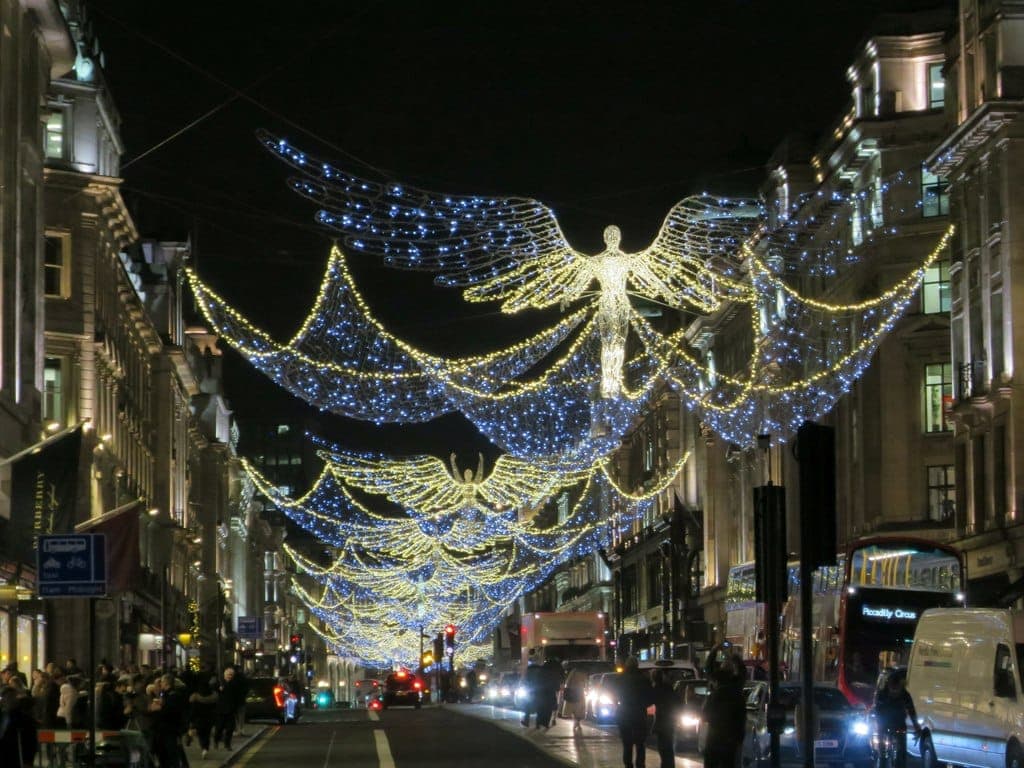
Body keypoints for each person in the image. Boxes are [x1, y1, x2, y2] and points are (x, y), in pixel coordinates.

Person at [871, 669, 922, 768]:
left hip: (899, 722)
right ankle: (882, 758)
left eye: (897, 688)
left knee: (901, 748)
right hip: (884, 722)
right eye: (893, 688)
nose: (895, 691)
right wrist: (878, 721)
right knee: (881, 746)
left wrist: (917, 726)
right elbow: (877, 709)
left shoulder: (905, 694)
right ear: (889, 685)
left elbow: (911, 710)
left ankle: (900, 761)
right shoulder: (882, 694)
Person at [701, 667, 747, 768]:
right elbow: (741, 719)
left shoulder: (714, 696)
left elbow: (704, 716)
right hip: (731, 741)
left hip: (714, 740)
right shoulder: (738, 697)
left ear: (717, 681)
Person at [615, 656, 655, 768]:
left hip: (624, 712)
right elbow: (650, 698)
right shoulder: (643, 679)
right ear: (637, 665)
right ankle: (640, 764)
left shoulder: (620, 678)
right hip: (639, 713)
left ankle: (628, 764)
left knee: (627, 743)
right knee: (640, 743)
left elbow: (615, 695)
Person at [149, 673, 188, 768]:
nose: (160, 684)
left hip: (169, 730)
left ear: (166, 683)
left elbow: (171, 712)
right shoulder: (165, 694)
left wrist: (159, 708)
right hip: (162, 730)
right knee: (163, 755)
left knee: (171, 755)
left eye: (161, 682)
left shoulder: (173, 696)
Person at [0, 684, 38, 768]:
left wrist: (28, 761)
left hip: (15, 757)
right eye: (5, 697)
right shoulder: (1, 716)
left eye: (11, 697)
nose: (8, 700)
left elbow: (31, 742)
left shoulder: (24, 719)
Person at [651, 669, 680, 768]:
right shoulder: (669, 689)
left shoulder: (656, 689)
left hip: (662, 722)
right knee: (668, 748)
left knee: (663, 748)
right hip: (669, 721)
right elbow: (678, 703)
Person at [214, 666, 244, 750]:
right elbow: (213, 690)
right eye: (228, 675)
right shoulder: (220, 683)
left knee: (230, 729)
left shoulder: (235, 684)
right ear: (225, 675)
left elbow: (238, 696)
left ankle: (227, 744)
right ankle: (216, 741)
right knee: (219, 728)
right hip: (221, 710)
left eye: (231, 675)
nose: (229, 676)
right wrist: (219, 689)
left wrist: (237, 707)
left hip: (231, 710)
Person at [534, 657, 562, 730]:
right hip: (550, 693)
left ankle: (538, 722)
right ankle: (545, 723)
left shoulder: (541, 671)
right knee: (548, 709)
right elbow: (556, 683)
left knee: (540, 708)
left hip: (540, 692)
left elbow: (537, 681)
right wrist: (557, 688)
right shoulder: (553, 672)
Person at [560, 664, 588, 735]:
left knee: (574, 708)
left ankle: (576, 723)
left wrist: (567, 688)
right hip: (579, 692)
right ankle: (577, 723)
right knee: (579, 709)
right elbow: (585, 683)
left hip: (573, 691)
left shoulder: (573, 671)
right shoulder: (583, 673)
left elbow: (568, 681)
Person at [520, 660, 543, 727]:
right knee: (539, 707)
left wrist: (524, 686)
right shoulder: (541, 670)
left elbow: (526, 680)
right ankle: (538, 724)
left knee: (528, 706)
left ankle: (526, 721)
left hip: (530, 691)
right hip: (539, 690)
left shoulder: (529, 670)